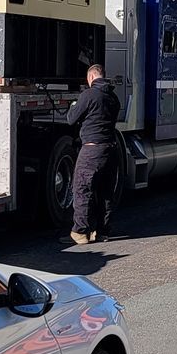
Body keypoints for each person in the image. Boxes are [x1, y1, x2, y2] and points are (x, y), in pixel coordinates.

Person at [66, 63, 120, 246]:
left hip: (91, 150)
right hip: (110, 150)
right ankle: (102, 231)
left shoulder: (88, 95)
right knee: (105, 192)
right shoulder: (113, 97)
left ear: (90, 78)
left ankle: (80, 232)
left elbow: (72, 119)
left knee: (82, 189)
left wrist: (73, 105)